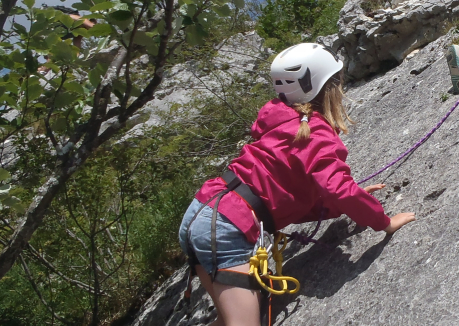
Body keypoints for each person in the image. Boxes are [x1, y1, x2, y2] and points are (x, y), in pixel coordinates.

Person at [178, 43, 416, 326]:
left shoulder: (281, 121)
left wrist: (346, 203)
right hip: (226, 226)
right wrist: (383, 222)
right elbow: (337, 188)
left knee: (229, 319)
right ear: (327, 87)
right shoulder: (314, 130)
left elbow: (289, 193)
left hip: (204, 213)